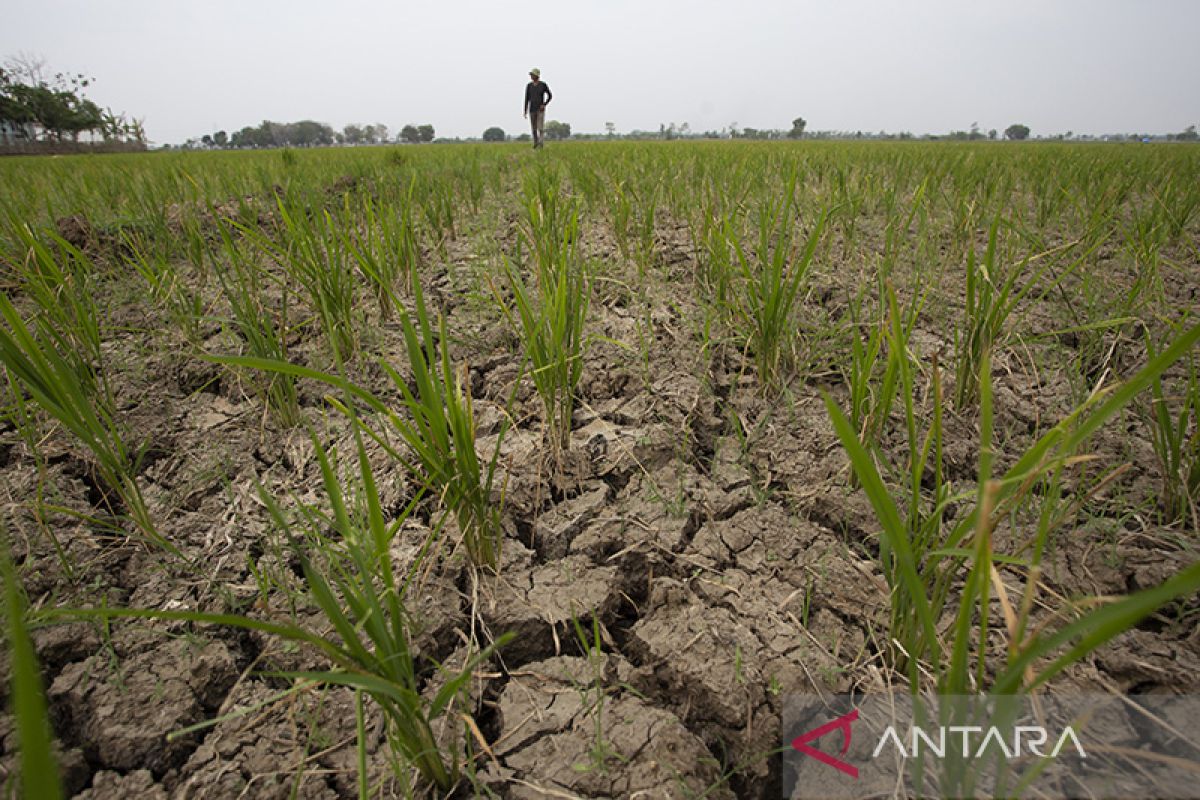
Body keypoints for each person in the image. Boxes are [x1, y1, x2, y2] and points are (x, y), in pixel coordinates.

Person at [523, 68, 552, 149]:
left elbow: (550, 96)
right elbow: (526, 98)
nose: (531, 76)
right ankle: (535, 143)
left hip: (540, 110)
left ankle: (541, 143)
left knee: (540, 128)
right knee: (534, 128)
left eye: (532, 75)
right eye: (531, 75)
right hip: (532, 109)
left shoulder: (543, 85)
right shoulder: (529, 86)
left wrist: (544, 104)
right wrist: (525, 110)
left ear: (537, 76)